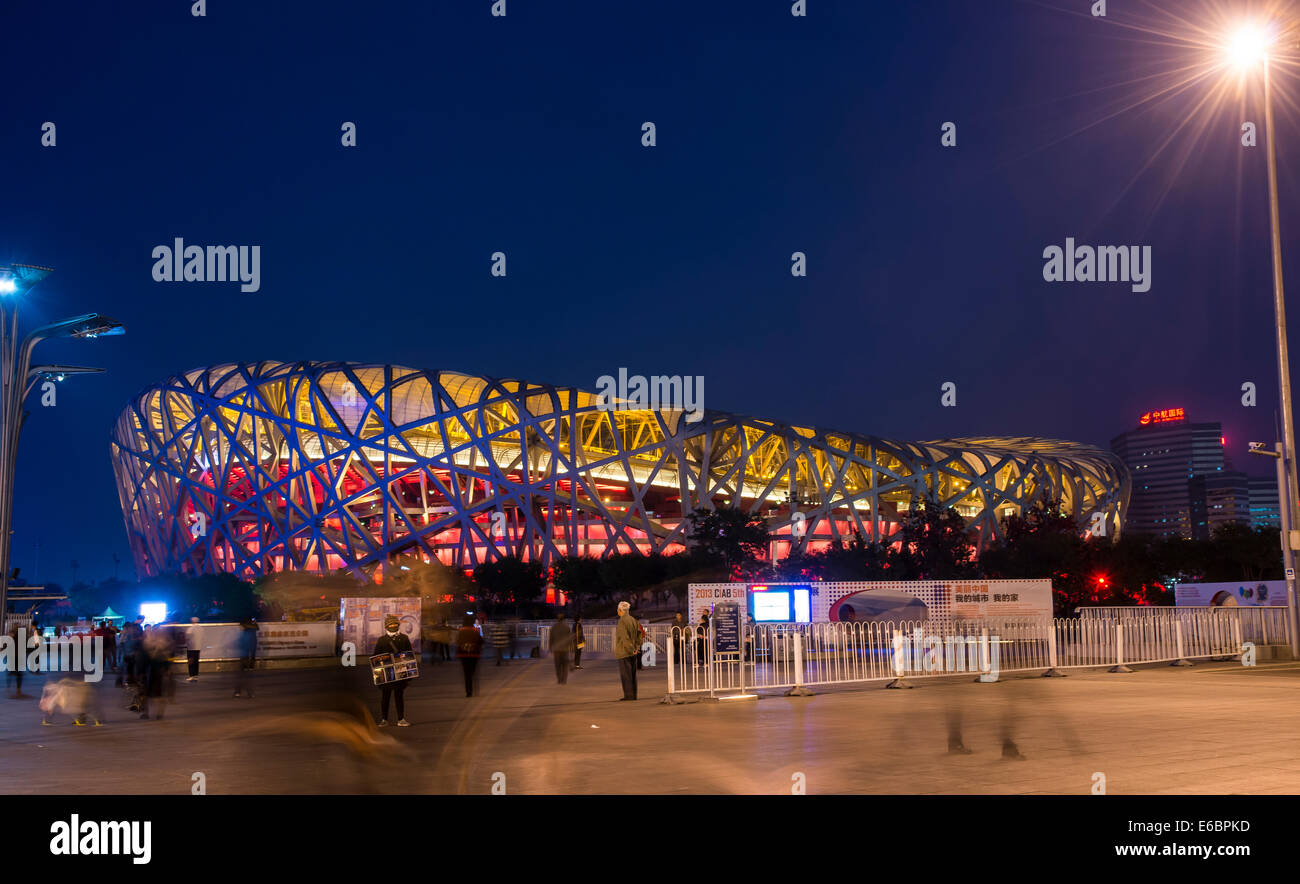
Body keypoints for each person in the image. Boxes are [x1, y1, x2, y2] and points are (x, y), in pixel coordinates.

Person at [372, 615, 412, 726]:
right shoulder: (382, 640)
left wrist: (409, 673)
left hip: (400, 672)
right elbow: (376, 656)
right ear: (386, 626)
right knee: (385, 697)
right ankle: (384, 719)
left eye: (395, 624)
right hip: (386, 674)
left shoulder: (404, 638)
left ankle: (401, 719)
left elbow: (409, 655)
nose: (393, 626)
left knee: (399, 696)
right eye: (391, 624)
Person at [139, 627, 175, 720]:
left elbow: (143, 659)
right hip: (159, 671)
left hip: (151, 671)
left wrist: (141, 672)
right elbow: (168, 658)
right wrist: (167, 669)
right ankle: (159, 714)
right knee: (158, 693)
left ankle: (147, 713)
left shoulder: (148, 643)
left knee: (146, 693)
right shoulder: (165, 644)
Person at [614, 601, 640, 701]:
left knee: (626, 675)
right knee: (633, 675)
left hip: (624, 652)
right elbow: (639, 635)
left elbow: (625, 638)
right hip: (633, 652)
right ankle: (634, 695)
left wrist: (631, 649)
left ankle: (628, 695)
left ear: (621, 610)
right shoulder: (633, 620)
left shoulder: (622, 622)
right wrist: (636, 648)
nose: (617, 611)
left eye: (618, 610)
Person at [456, 614, 484, 697]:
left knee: (466, 673)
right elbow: (481, 641)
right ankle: (473, 688)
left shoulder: (461, 630)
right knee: (473, 672)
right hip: (474, 654)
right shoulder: (474, 630)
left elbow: (458, 641)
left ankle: (468, 691)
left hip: (463, 655)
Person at [234, 618, 258, 698]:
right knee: (243, 676)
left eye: (240, 626)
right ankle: (243, 692)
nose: (239, 628)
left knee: (244, 676)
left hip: (246, 657)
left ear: (244, 626)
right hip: (245, 657)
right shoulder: (248, 633)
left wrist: (252, 660)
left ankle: (243, 692)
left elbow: (252, 647)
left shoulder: (248, 635)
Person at [549, 613, 572, 684]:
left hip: (556, 650)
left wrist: (550, 648)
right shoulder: (567, 627)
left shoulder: (553, 627)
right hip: (565, 649)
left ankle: (559, 679)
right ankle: (564, 680)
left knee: (557, 665)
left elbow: (551, 639)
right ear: (564, 619)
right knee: (565, 665)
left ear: (557, 619)